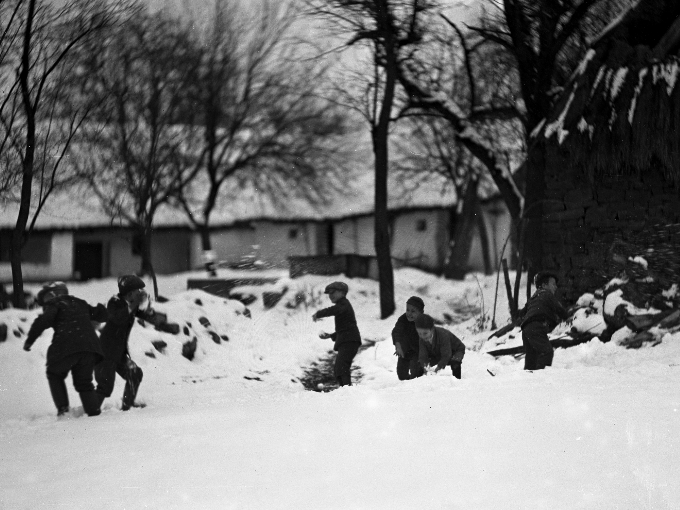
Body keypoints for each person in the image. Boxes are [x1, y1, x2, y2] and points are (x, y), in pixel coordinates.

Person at [23, 282, 107, 417]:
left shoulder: (55, 303)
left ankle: (63, 411)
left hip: (66, 346)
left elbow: (44, 321)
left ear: (53, 294)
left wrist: (29, 341)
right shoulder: (80, 303)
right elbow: (102, 315)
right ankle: (94, 413)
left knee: (54, 374)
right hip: (90, 349)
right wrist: (103, 308)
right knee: (84, 383)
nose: (45, 305)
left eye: (45, 300)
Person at [95, 275, 155, 410]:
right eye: (137, 291)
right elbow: (119, 318)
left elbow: (143, 315)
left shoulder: (130, 305)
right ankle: (90, 410)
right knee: (105, 387)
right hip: (105, 353)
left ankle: (127, 407)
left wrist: (148, 310)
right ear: (129, 292)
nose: (140, 293)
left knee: (135, 374)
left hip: (118, 353)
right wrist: (135, 304)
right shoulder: (114, 302)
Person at [312, 281, 362, 387]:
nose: (330, 296)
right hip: (348, 341)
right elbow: (344, 328)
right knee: (339, 368)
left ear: (342, 292)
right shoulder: (343, 306)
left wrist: (319, 314)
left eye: (333, 292)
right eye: (329, 294)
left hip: (349, 341)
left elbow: (334, 310)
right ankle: (345, 389)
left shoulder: (343, 304)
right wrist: (331, 336)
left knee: (342, 367)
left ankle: (347, 390)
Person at [519, 271, 569, 371]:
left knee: (531, 357)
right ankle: (540, 377)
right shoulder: (547, 294)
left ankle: (529, 379)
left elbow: (523, 313)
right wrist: (567, 316)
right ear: (544, 285)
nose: (556, 287)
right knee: (547, 352)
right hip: (536, 327)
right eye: (553, 284)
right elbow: (558, 308)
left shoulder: (533, 298)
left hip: (526, 329)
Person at [415, 314, 466, 379]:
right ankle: (419, 383)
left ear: (432, 329)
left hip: (454, 351)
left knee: (455, 363)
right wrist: (425, 368)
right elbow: (423, 355)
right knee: (420, 365)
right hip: (437, 352)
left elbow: (447, 355)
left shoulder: (443, 335)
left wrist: (438, 368)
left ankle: (457, 382)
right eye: (419, 333)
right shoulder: (422, 338)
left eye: (425, 333)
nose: (422, 336)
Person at [392, 296, 425, 381]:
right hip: (405, 350)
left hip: (418, 351)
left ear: (421, 312)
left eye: (413, 311)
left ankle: (418, 383)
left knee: (416, 372)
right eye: (407, 310)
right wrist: (398, 345)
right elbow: (396, 331)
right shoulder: (403, 319)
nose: (409, 313)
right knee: (401, 374)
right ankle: (406, 385)